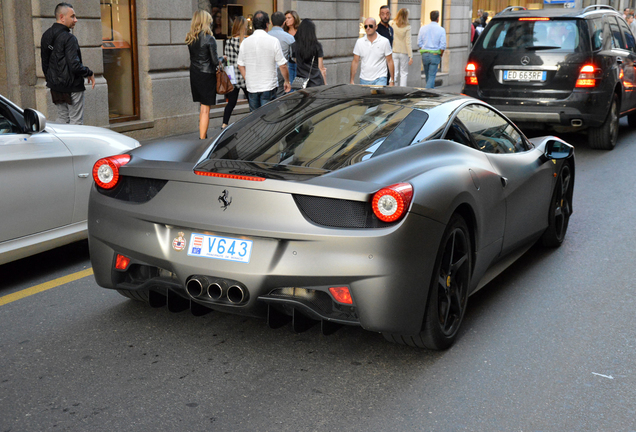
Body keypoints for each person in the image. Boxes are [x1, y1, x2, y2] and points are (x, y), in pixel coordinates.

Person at [40, 2, 95, 125]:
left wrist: (52, 81)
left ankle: (60, 143)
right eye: (72, 16)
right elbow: (74, 66)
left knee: (62, 120)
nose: (76, 20)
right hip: (72, 87)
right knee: (76, 122)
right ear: (61, 17)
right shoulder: (69, 38)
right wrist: (89, 72)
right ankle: (74, 144)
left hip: (56, 87)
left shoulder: (46, 35)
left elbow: (44, 63)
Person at [237, 11, 291, 111]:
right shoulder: (273, 41)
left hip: (252, 86)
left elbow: (240, 65)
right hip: (268, 85)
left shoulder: (245, 42)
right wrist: (287, 81)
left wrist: (247, 78)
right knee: (269, 117)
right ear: (267, 24)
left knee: (254, 118)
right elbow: (282, 65)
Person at [186, 10, 220, 139]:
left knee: (202, 107)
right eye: (210, 21)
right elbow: (215, 61)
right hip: (207, 75)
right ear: (206, 22)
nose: (211, 23)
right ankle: (202, 139)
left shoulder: (190, 38)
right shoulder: (209, 38)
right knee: (206, 109)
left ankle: (203, 135)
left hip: (195, 74)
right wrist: (223, 59)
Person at [350, 18, 395, 86]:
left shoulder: (384, 41)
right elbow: (355, 61)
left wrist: (392, 80)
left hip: (380, 78)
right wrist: (352, 80)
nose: (368, 28)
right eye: (366, 26)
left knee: (378, 96)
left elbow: (390, 61)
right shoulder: (360, 42)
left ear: (376, 27)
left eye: (370, 26)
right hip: (364, 79)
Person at [222, 16, 249, 128]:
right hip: (245, 76)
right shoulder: (246, 42)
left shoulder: (228, 42)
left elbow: (226, 61)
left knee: (231, 102)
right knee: (252, 102)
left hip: (233, 77)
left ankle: (224, 124)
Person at [291, 19, 327, 88]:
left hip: (301, 83)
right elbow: (321, 68)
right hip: (316, 82)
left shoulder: (294, 46)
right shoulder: (317, 46)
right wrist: (325, 85)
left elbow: (296, 62)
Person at [269, 11, 296, 97]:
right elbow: (293, 56)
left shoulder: (266, 36)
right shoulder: (289, 38)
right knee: (279, 97)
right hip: (281, 71)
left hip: (267, 70)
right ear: (284, 22)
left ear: (271, 22)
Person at [418, 10, 446, 89]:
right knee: (432, 76)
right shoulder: (441, 30)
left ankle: (430, 93)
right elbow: (443, 45)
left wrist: (423, 51)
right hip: (435, 54)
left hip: (425, 54)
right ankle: (427, 92)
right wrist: (440, 54)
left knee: (428, 76)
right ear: (438, 18)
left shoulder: (423, 28)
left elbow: (419, 43)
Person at [392, 8, 413, 86]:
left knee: (394, 72)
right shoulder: (407, 27)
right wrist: (410, 56)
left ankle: (394, 88)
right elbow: (408, 42)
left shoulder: (392, 23)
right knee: (404, 73)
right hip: (404, 52)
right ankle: (402, 89)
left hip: (394, 50)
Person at [284, 10, 301, 82]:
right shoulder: (284, 32)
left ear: (295, 18)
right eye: (285, 18)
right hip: (289, 62)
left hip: (300, 61)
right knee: (290, 83)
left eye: (289, 18)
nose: (287, 20)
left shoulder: (300, 31)